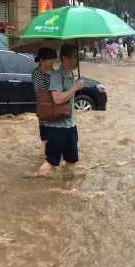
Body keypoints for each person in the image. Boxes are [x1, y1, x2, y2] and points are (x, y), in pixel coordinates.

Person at [38, 44, 84, 177]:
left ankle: (67, 188)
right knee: (51, 162)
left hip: (70, 126)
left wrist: (76, 85)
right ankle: (38, 187)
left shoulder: (72, 75)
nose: (77, 60)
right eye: (75, 57)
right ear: (65, 58)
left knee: (71, 161)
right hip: (57, 128)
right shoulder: (57, 76)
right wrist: (74, 88)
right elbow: (57, 99)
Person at [31, 47, 58, 155]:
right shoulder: (37, 74)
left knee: (57, 142)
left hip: (57, 112)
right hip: (45, 113)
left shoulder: (54, 72)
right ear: (42, 60)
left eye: (53, 59)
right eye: (50, 59)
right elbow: (40, 95)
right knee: (45, 142)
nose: (53, 62)